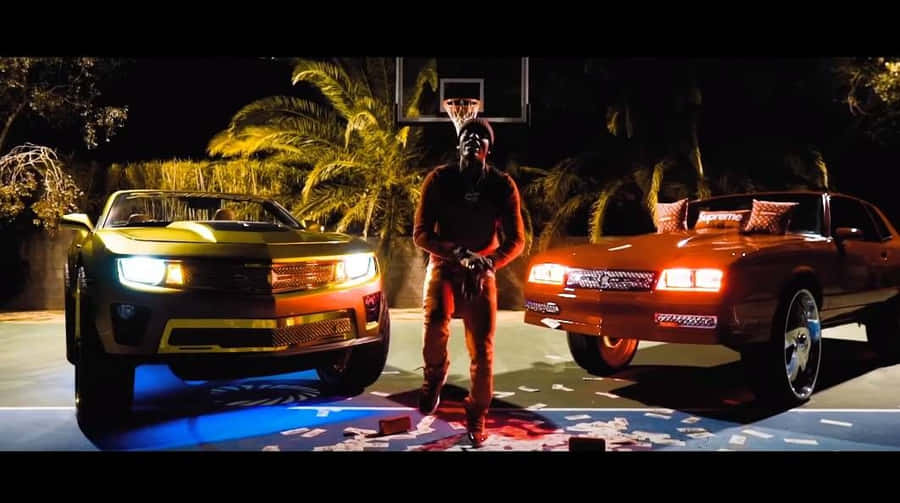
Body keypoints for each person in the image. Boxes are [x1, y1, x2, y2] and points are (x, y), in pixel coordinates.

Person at [412, 118, 525, 447]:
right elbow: (420, 234)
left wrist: (487, 261)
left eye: (481, 137)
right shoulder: (439, 179)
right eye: (467, 134)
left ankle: (476, 414)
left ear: (489, 149)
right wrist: (458, 253)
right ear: (458, 144)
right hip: (445, 265)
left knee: (483, 350)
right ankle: (434, 375)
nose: (474, 139)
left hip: (481, 271)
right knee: (434, 325)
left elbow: (517, 240)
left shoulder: (502, 185)